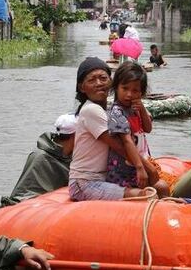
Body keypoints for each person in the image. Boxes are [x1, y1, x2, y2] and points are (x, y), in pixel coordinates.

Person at [68, 57, 154, 201]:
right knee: (146, 196)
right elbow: (121, 146)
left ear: (111, 82)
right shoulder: (91, 110)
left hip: (105, 178)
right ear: (82, 87)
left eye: (103, 78)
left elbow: (146, 128)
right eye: (91, 80)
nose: (98, 84)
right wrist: (148, 168)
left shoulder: (110, 109)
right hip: (86, 183)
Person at [106, 62, 170, 196]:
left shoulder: (135, 108)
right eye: (125, 88)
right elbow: (127, 141)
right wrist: (140, 168)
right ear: (116, 88)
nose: (129, 94)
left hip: (140, 163)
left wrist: (142, 109)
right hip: (125, 170)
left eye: (135, 90)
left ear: (141, 93)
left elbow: (147, 128)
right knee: (158, 189)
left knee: (163, 188)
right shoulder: (117, 112)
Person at [2, 113, 77, 207]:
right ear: (75, 135)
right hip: (34, 208)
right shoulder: (40, 157)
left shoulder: (75, 156)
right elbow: (25, 193)